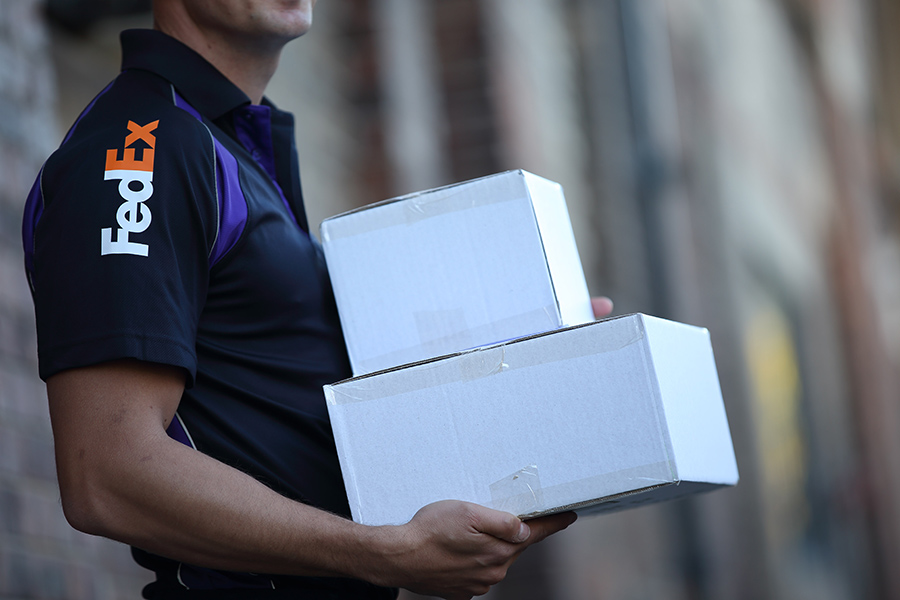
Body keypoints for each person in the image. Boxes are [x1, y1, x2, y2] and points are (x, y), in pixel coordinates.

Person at [23, 0, 614, 598]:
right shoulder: (137, 149)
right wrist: (383, 554)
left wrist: (531, 358)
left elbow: (275, 396)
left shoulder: (234, 143)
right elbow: (107, 473)